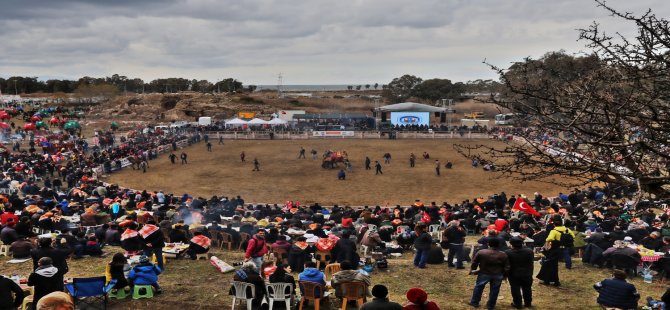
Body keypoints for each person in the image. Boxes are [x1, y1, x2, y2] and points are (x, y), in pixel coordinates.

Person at [468, 238, 509, 309]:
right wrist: (505, 275)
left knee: (479, 287)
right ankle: (491, 305)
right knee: (495, 290)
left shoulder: (481, 252)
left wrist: (473, 269)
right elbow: (507, 267)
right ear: (499, 245)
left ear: (488, 244)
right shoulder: (503, 254)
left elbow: (475, 262)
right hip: (497, 274)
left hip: (484, 273)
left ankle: (474, 302)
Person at [505, 237, 534, 309]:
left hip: (513, 274)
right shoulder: (529, 251)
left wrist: (505, 274)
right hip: (527, 273)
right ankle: (528, 303)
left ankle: (518, 304)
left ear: (511, 244)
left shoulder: (508, 252)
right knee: (527, 288)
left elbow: (507, 264)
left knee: (515, 288)